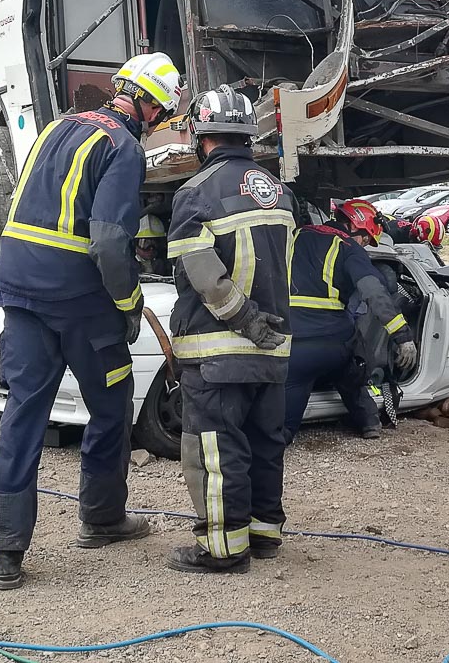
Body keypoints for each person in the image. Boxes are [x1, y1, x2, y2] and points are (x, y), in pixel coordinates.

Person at [0, 53, 183, 590]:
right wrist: (129, 303)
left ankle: (6, 551)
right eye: (161, 112)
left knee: (24, 413)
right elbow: (111, 243)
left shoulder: (56, 128)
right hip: (77, 298)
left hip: (19, 288)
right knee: (112, 402)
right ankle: (101, 518)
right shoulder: (123, 147)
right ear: (148, 105)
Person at [164, 84, 296, 574]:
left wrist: (246, 321)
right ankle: (263, 536)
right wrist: (266, 329)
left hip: (219, 350)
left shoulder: (194, 194)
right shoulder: (281, 193)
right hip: (275, 351)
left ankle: (222, 550)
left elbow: (203, 275)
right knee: (264, 445)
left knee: (217, 451)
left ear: (202, 137)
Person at [285, 199, 417, 443]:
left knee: (288, 407)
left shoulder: (294, 236)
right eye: (366, 238)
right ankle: (369, 422)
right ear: (356, 226)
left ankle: (280, 436)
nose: (365, 245)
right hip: (335, 343)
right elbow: (374, 292)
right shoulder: (349, 248)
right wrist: (402, 336)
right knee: (352, 369)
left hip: (293, 345)